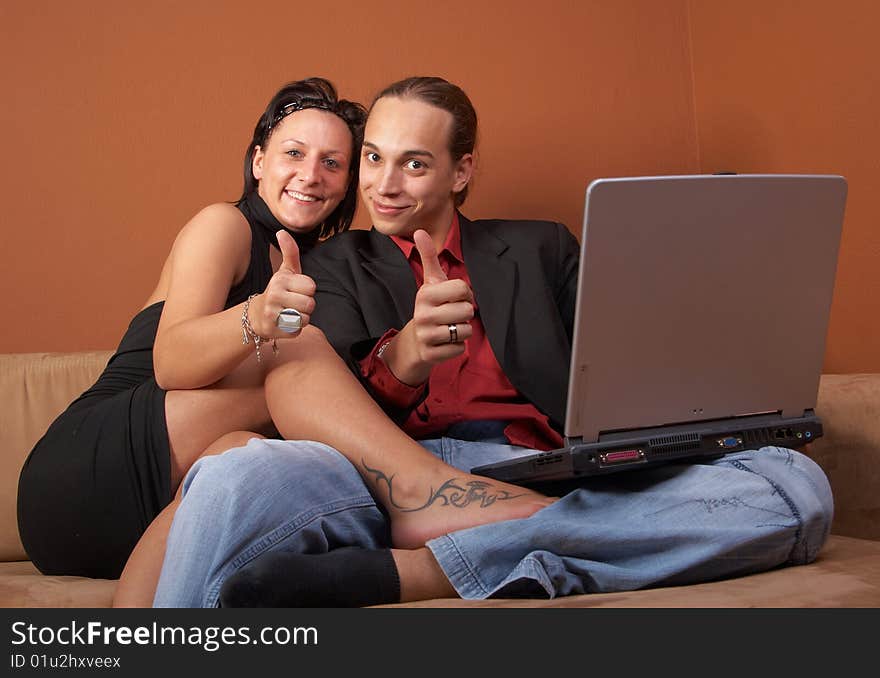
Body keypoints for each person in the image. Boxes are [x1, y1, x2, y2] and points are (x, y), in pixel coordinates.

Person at [150, 76, 833, 608]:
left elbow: (614, 368)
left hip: (539, 465)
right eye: (374, 159)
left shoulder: (542, 247)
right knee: (237, 475)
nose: (383, 185)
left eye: (414, 164)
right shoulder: (327, 262)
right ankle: (537, 540)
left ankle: (424, 573)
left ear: (461, 171)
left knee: (795, 485)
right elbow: (325, 403)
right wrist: (405, 357)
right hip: (388, 478)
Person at [16, 77, 368, 583]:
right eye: (294, 152)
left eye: (332, 163)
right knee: (315, 378)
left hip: (168, 500)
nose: (310, 175)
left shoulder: (316, 269)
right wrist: (257, 316)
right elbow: (172, 363)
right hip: (89, 471)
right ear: (259, 162)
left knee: (270, 450)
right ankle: (415, 488)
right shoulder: (223, 225)